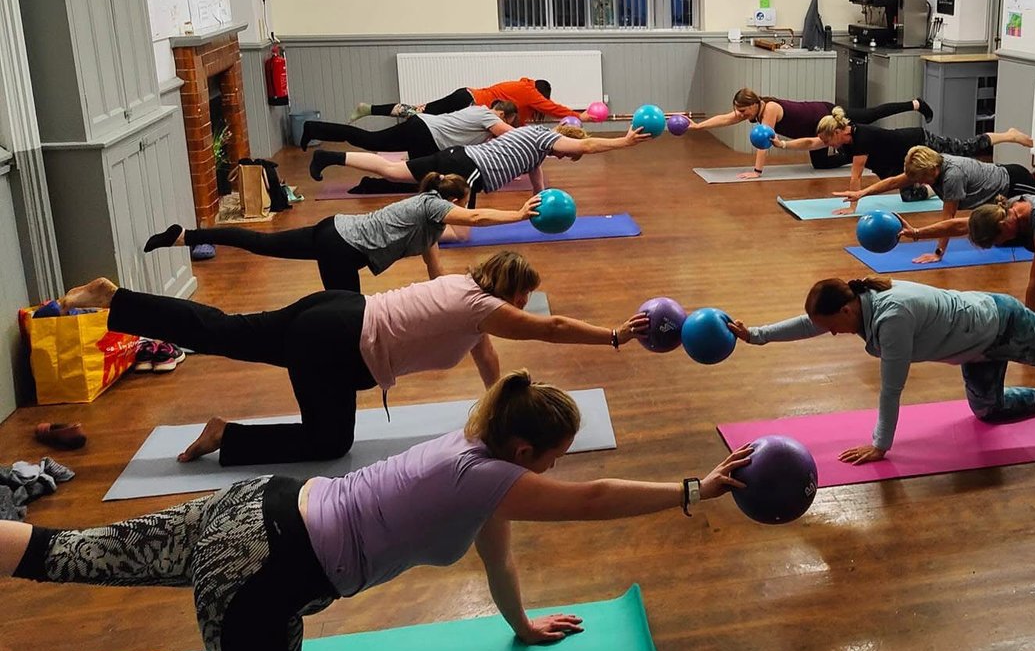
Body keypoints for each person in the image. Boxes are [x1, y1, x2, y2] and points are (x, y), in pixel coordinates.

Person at [0, 371, 753, 651]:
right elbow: (593, 501)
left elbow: (500, 558)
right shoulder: (489, 479)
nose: (558, 469)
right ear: (524, 452)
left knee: (65, 549)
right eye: (555, 456)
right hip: (263, 569)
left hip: (258, 502)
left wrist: (522, 626)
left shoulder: (470, 451)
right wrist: (694, 488)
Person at [57, 252, 648, 467]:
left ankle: (117, 299)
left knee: (222, 330)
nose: (524, 307)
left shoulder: (464, 294)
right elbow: (552, 329)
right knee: (329, 444)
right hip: (336, 345)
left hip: (336, 313)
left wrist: (501, 404)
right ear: (511, 291)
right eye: (524, 297)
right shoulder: (481, 305)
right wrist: (616, 337)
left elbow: (489, 361)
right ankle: (225, 437)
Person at [728, 276, 1035, 464]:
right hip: (976, 347)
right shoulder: (858, 302)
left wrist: (881, 445)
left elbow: (891, 389)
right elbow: (809, 324)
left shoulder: (892, 319)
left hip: (1004, 326)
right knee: (988, 411)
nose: (830, 333)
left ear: (847, 309)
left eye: (832, 325)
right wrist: (757, 336)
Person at [141, 174, 544, 292]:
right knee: (346, 312)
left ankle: (185, 236)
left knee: (262, 243)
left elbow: (434, 269)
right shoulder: (431, 205)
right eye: (462, 202)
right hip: (342, 248)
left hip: (334, 231)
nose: (463, 209)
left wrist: (448, 298)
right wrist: (519, 214)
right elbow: (476, 218)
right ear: (451, 198)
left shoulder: (429, 227)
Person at [844, 147, 1035, 264]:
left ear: (932, 170)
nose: (918, 183)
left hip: (1014, 184)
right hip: (999, 194)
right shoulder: (930, 165)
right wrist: (862, 193)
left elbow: (951, 218)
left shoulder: (952, 177)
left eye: (921, 179)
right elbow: (895, 181)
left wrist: (938, 252)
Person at [770, 107, 1035, 213]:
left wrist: (853, 206)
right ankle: (934, 187)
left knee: (967, 148)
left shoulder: (861, 139)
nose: (827, 146)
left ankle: (1008, 135)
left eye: (829, 141)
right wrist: (782, 144)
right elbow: (810, 142)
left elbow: (855, 176)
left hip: (919, 143)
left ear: (839, 133)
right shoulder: (841, 136)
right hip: (899, 161)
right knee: (909, 196)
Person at [309, 123, 648, 202]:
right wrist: (625, 141)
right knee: (461, 229)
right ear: (565, 142)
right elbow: (587, 145)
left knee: (394, 172)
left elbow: (536, 175)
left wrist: (539, 200)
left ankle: (330, 156)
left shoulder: (533, 140)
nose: (563, 156)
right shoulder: (545, 138)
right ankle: (426, 240)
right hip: (468, 171)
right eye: (567, 153)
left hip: (459, 157)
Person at [689, 88, 927, 179]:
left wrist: (757, 171)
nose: (740, 115)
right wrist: (698, 127)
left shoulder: (769, 109)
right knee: (820, 165)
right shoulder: (754, 110)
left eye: (743, 111)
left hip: (824, 116)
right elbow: (726, 118)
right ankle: (851, 154)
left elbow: (765, 142)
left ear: (753, 104)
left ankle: (915, 104)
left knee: (870, 114)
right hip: (814, 130)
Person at [300, 100, 517, 157]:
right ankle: (314, 129)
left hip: (423, 129)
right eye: (510, 121)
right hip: (425, 134)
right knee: (370, 140)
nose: (509, 124)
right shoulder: (489, 116)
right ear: (502, 115)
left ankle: (315, 129)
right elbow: (512, 135)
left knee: (371, 140)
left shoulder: (478, 110)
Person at [354, 78, 589, 126]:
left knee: (417, 111)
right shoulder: (529, 92)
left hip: (465, 96)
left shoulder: (522, 94)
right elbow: (554, 108)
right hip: (467, 102)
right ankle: (369, 109)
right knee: (417, 113)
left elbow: (515, 127)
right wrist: (581, 116)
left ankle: (369, 109)